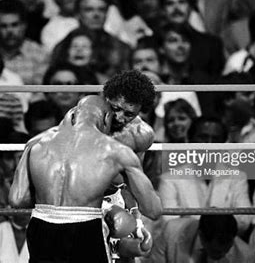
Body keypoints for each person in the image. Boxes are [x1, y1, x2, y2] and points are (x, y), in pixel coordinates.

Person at [9, 95, 162, 262]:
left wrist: (51, 198)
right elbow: (153, 210)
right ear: (106, 118)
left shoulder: (36, 142)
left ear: (74, 114)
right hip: (84, 225)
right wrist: (102, 207)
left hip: (41, 225)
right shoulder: (116, 151)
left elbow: (17, 200)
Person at [151, 214, 255, 262]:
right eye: (216, 251)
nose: (223, 254)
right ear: (201, 236)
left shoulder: (246, 256)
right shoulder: (172, 231)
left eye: (226, 250)